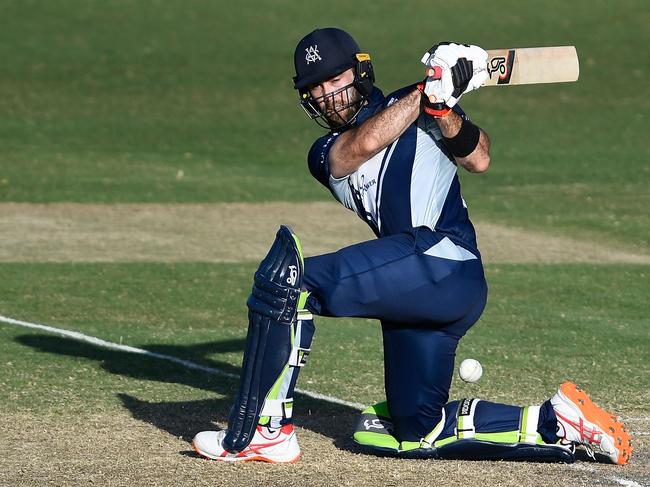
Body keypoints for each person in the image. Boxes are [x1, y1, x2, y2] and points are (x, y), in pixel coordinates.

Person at [191, 28, 632, 465]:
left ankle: (265, 432)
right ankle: (559, 423)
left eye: (334, 80)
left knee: (293, 281)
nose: (327, 95)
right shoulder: (325, 150)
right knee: (417, 429)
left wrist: (443, 106)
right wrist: (428, 90)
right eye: (315, 88)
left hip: (445, 259)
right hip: (419, 285)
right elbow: (362, 145)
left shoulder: (421, 105)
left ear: (361, 72)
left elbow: (479, 158)